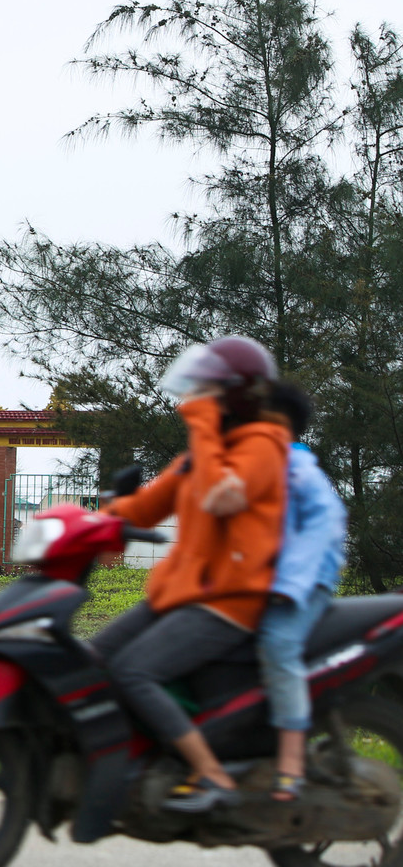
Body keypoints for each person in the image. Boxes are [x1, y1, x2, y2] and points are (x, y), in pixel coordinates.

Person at [95, 336, 292, 813]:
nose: (194, 400)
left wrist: (202, 427)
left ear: (235, 396)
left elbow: (220, 495)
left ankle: (212, 774)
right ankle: (121, 761)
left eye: (207, 391)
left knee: (134, 671)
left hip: (228, 601)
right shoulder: (201, 455)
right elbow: (143, 507)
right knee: (91, 657)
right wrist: (82, 522)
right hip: (182, 595)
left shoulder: (263, 448)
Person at [257, 380, 347, 801]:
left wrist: (289, 585)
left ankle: (292, 761)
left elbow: (323, 525)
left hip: (305, 583)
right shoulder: (251, 466)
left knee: (278, 644)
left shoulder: (299, 469)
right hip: (261, 584)